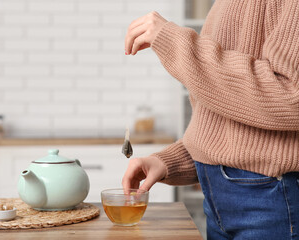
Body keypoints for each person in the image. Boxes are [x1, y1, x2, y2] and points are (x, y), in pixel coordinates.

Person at [122, 1, 299, 239]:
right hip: (221, 203)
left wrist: (178, 44)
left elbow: (291, 96)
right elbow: (225, 113)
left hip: (273, 202)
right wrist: (170, 161)